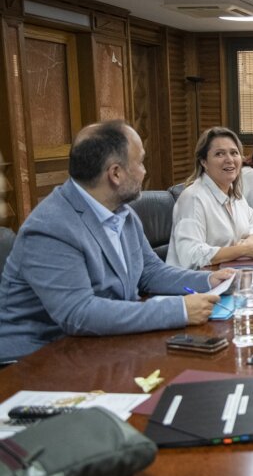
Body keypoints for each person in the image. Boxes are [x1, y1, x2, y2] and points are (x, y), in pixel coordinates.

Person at [0, 121, 232, 361]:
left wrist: (209, 280)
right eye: (140, 162)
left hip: (101, 345)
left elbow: (150, 271)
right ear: (116, 173)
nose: (144, 171)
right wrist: (179, 310)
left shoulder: (122, 212)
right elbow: (79, 314)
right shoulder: (51, 227)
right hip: (36, 361)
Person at [167, 127, 253, 269]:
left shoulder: (234, 193)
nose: (229, 160)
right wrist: (244, 251)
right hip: (196, 284)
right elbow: (191, 255)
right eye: (219, 154)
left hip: (229, 274)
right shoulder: (193, 198)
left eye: (234, 153)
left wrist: (251, 242)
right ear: (204, 162)